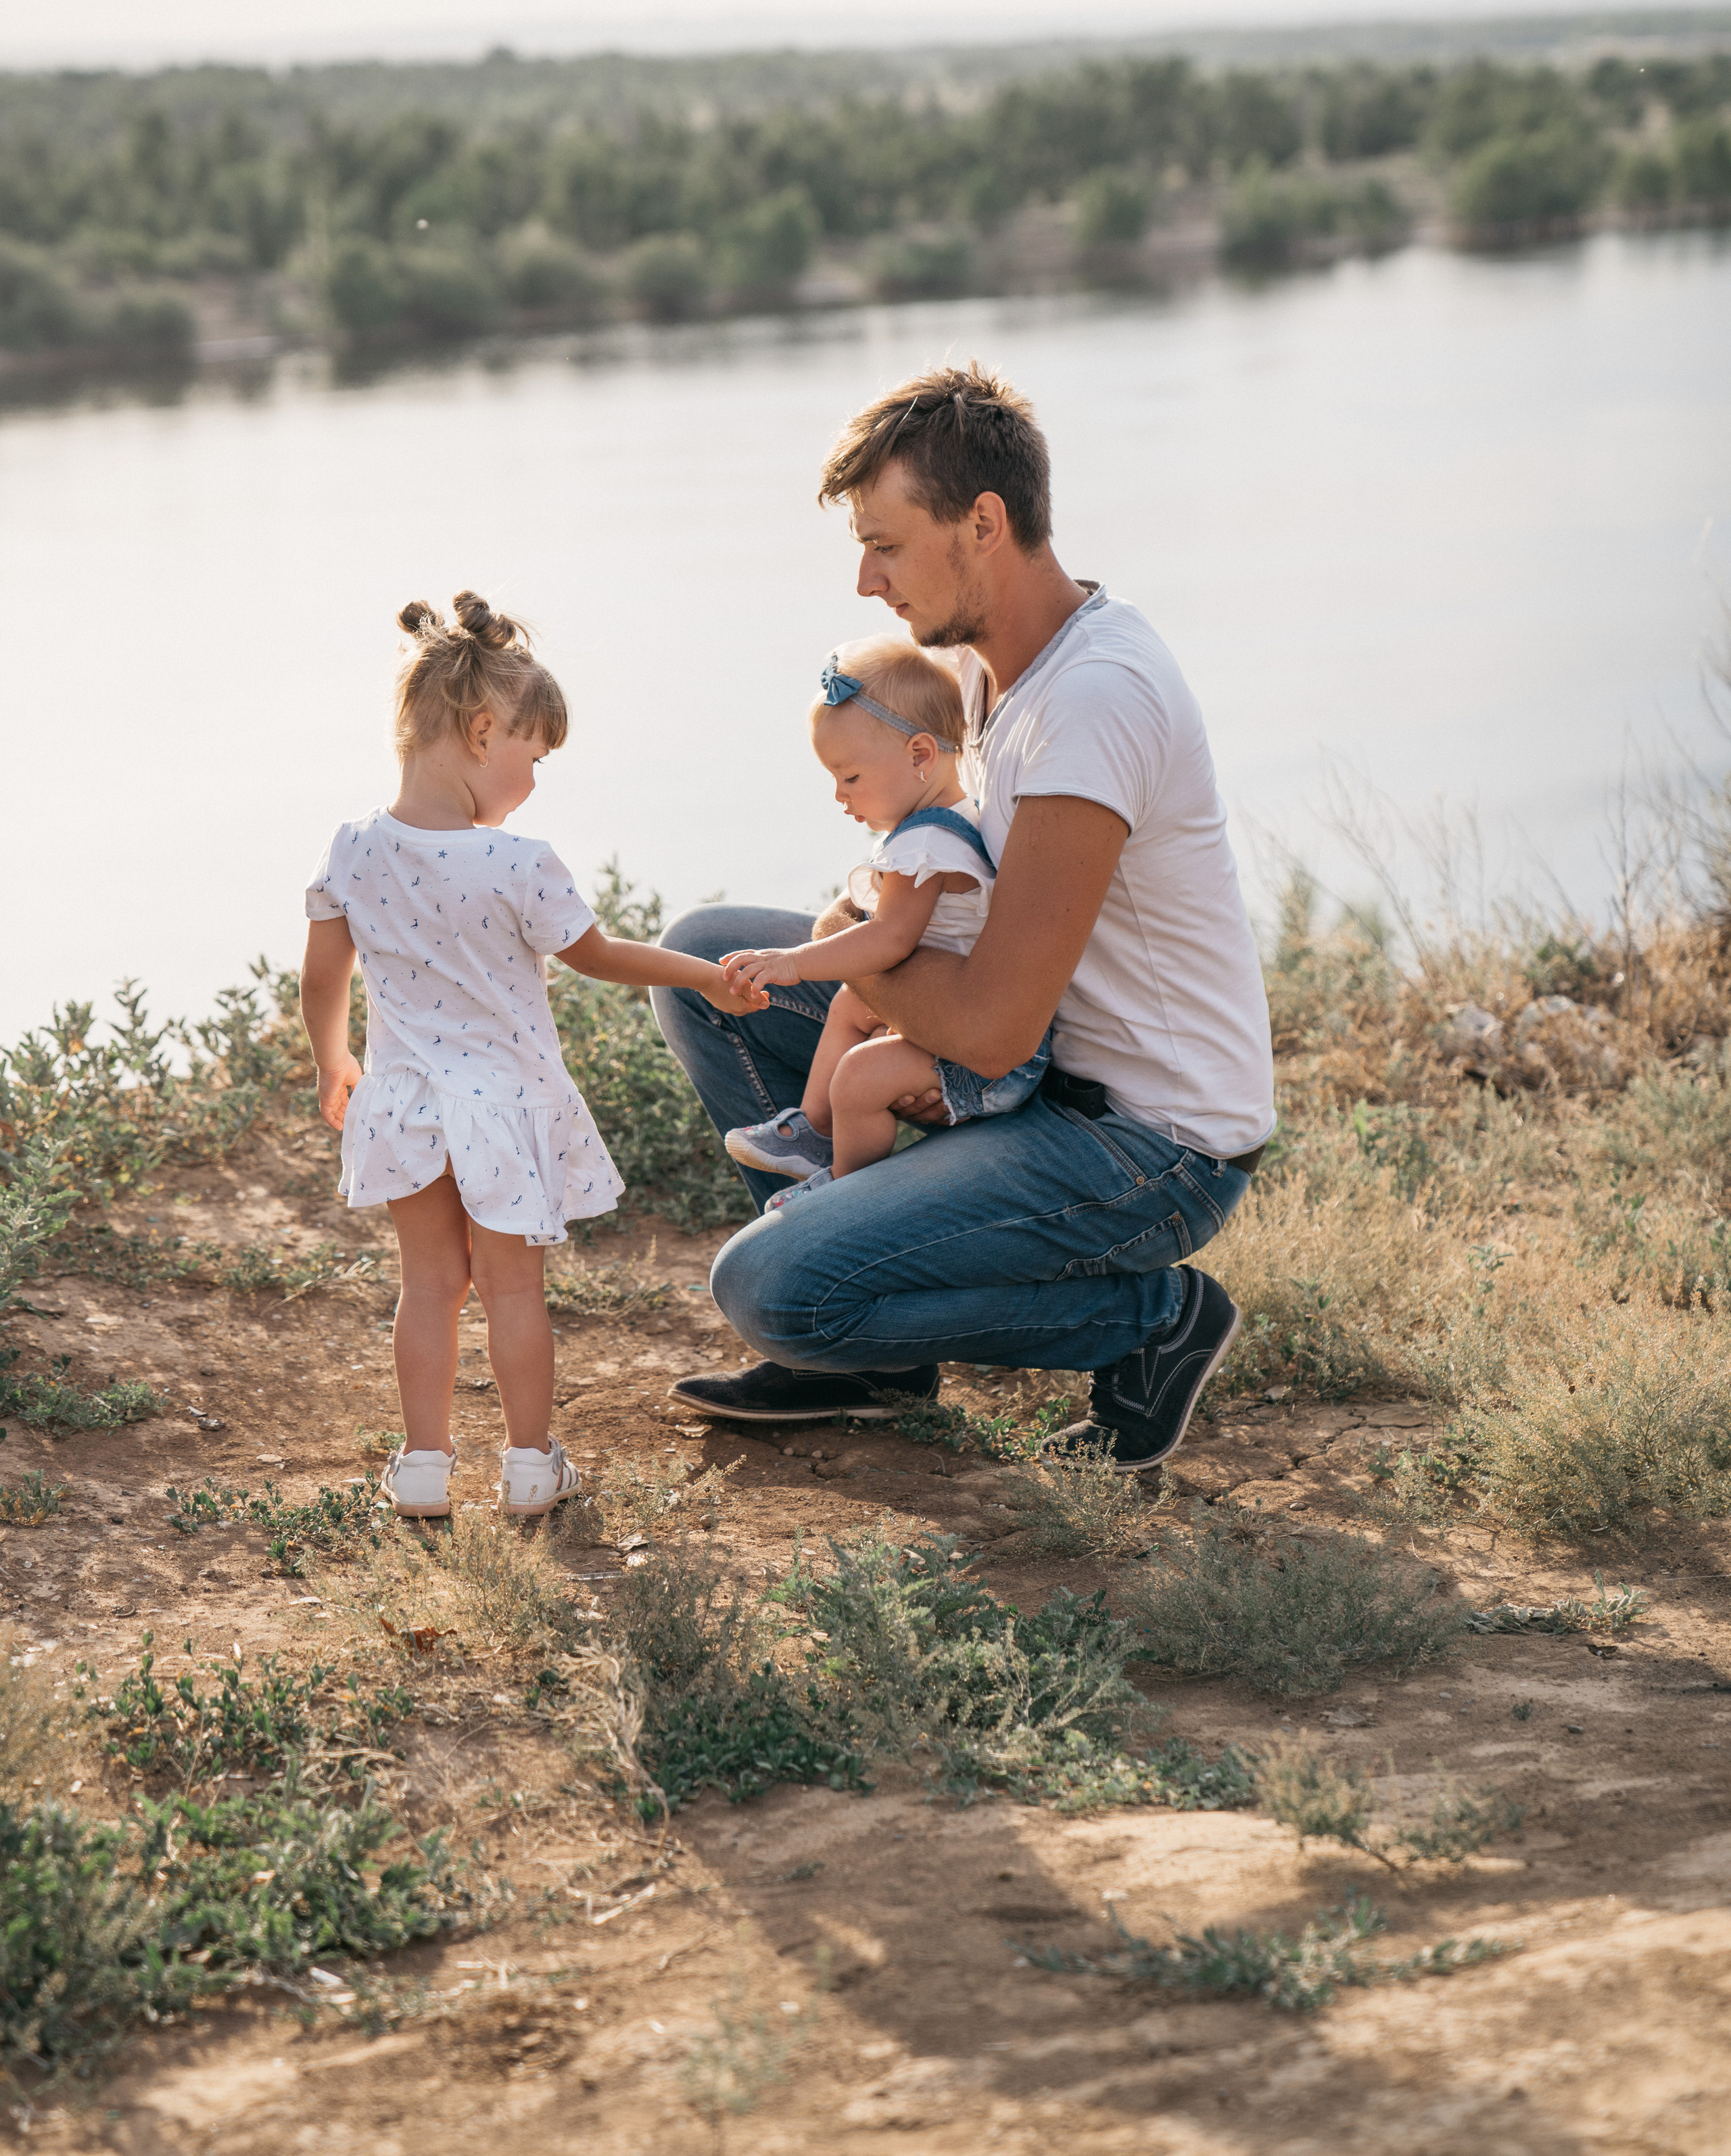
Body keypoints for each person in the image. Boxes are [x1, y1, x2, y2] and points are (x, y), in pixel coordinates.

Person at [651, 364, 1276, 1470]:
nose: (863, 578)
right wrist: (847, 937)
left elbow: (984, 1026)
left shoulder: (1094, 702)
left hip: (1143, 1144)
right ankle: (874, 1358)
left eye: (886, 543)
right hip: (1033, 1073)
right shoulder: (989, 674)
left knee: (767, 1287)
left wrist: (847, 948)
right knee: (702, 958)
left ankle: (1152, 1324)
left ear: (982, 523)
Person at [298, 592, 765, 1522]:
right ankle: (527, 1467)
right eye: (534, 755)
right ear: (481, 731)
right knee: (514, 1290)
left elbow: (323, 974)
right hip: (501, 1109)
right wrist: (706, 977)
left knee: (428, 1286)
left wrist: (332, 1060)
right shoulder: (517, 862)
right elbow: (599, 957)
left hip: (406, 1100)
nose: (536, 780)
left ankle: (425, 1466)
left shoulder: (353, 849)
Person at [719, 636, 1050, 1209]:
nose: (839, 795)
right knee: (852, 1005)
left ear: (920, 754)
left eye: (850, 777)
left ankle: (842, 1196)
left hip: (991, 1065)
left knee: (860, 1076)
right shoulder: (956, 815)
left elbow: (890, 938)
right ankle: (816, 1132)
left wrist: (792, 963)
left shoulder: (924, 843)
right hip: (967, 1023)